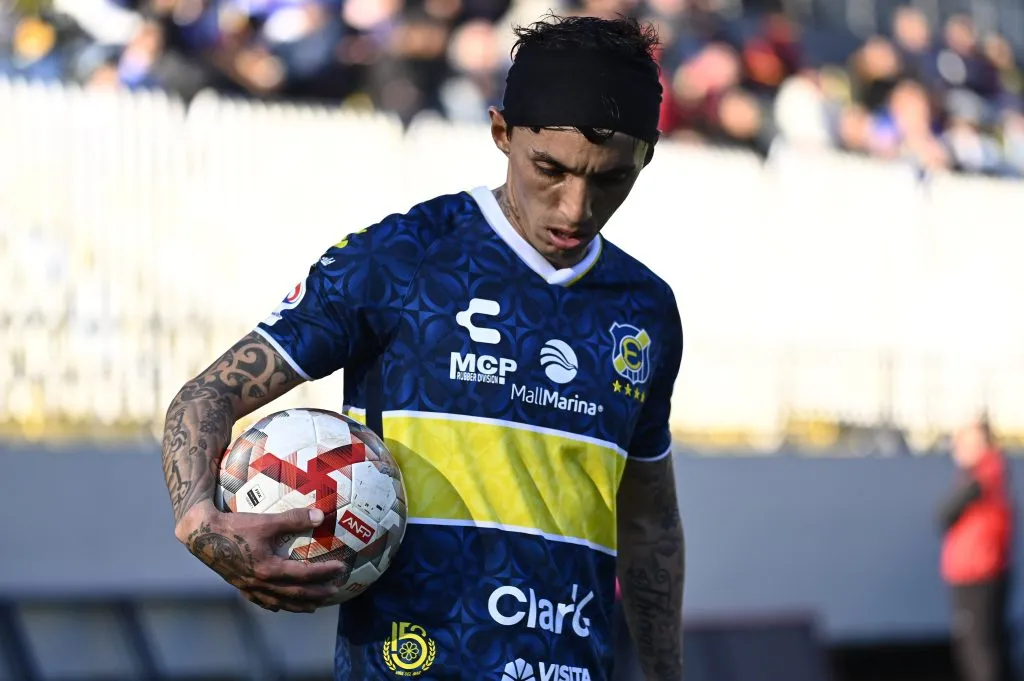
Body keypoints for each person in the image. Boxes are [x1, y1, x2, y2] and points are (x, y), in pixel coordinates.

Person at [160, 14, 685, 681]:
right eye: (549, 169)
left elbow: (649, 523)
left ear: (646, 156)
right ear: (501, 132)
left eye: (610, 179)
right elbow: (207, 394)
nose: (576, 208)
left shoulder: (645, 310)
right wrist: (202, 524)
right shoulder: (403, 259)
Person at [938, 417, 1015, 681]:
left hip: (979, 576)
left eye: (964, 441)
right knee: (986, 647)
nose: (957, 447)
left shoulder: (983, 477)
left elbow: (943, 515)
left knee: (979, 650)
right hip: (977, 574)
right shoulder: (985, 476)